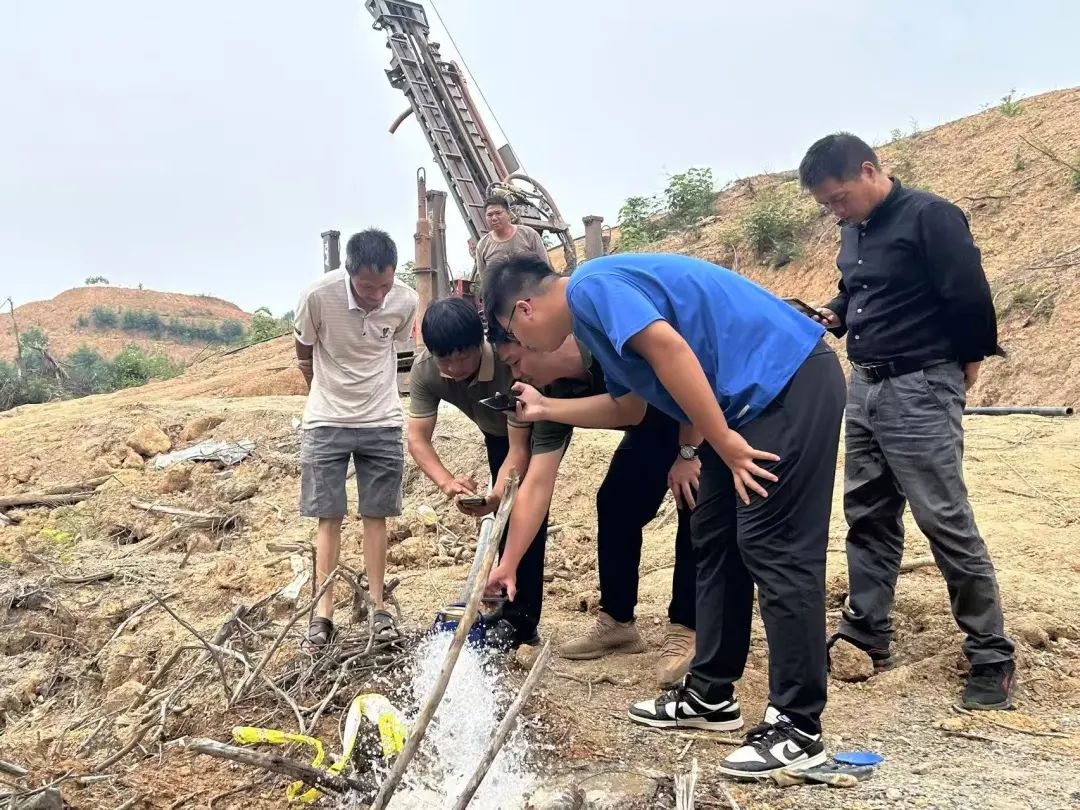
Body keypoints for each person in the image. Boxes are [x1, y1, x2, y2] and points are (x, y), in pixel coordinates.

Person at [484, 253, 845, 779]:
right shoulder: (589, 319)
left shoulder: (590, 286)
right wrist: (545, 409)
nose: (523, 350)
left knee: (776, 547)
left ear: (523, 309)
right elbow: (628, 409)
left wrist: (721, 441)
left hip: (785, 383)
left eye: (513, 336)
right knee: (714, 537)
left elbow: (671, 349)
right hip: (743, 406)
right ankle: (711, 694)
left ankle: (798, 726)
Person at [798, 132, 1016, 709]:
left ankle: (991, 655)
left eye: (839, 198)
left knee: (943, 517)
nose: (836, 211)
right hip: (864, 384)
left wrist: (964, 363)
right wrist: (832, 313)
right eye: (827, 205)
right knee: (867, 512)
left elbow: (969, 295)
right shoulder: (856, 227)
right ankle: (868, 633)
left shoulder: (931, 216)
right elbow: (856, 291)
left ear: (869, 171)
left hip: (920, 384)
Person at [490, 323, 699, 686]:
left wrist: (688, 452)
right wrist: (508, 564)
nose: (516, 375)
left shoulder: (607, 340)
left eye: (516, 361)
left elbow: (688, 376)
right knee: (616, 502)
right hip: (652, 427)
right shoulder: (548, 392)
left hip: (697, 413)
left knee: (693, 499)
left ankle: (688, 626)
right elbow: (537, 484)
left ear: (537, 339)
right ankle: (618, 622)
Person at [294, 229, 418, 648]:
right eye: (367, 288)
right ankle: (322, 614)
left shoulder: (405, 300)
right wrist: (320, 394)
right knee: (328, 517)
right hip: (326, 421)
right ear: (349, 274)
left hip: (381, 420)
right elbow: (303, 351)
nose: (377, 297)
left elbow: (398, 346)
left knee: (376, 515)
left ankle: (379, 608)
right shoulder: (317, 296)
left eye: (385, 286)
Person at [406, 297, 546, 647]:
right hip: (496, 431)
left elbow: (519, 448)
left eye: (464, 357)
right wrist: (448, 483)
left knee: (523, 511)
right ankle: (505, 607)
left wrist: (497, 497)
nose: (455, 367)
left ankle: (521, 622)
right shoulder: (425, 370)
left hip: (536, 426)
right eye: (445, 359)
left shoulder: (507, 361)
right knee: (504, 514)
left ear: (479, 342)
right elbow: (417, 439)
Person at [472, 196, 551, 285]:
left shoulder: (528, 234)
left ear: (508, 213)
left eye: (498, 213)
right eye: (489, 215)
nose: (494, 218)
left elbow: (545, 268)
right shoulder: (482, 246)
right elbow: (485, 282)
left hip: (533, 289)